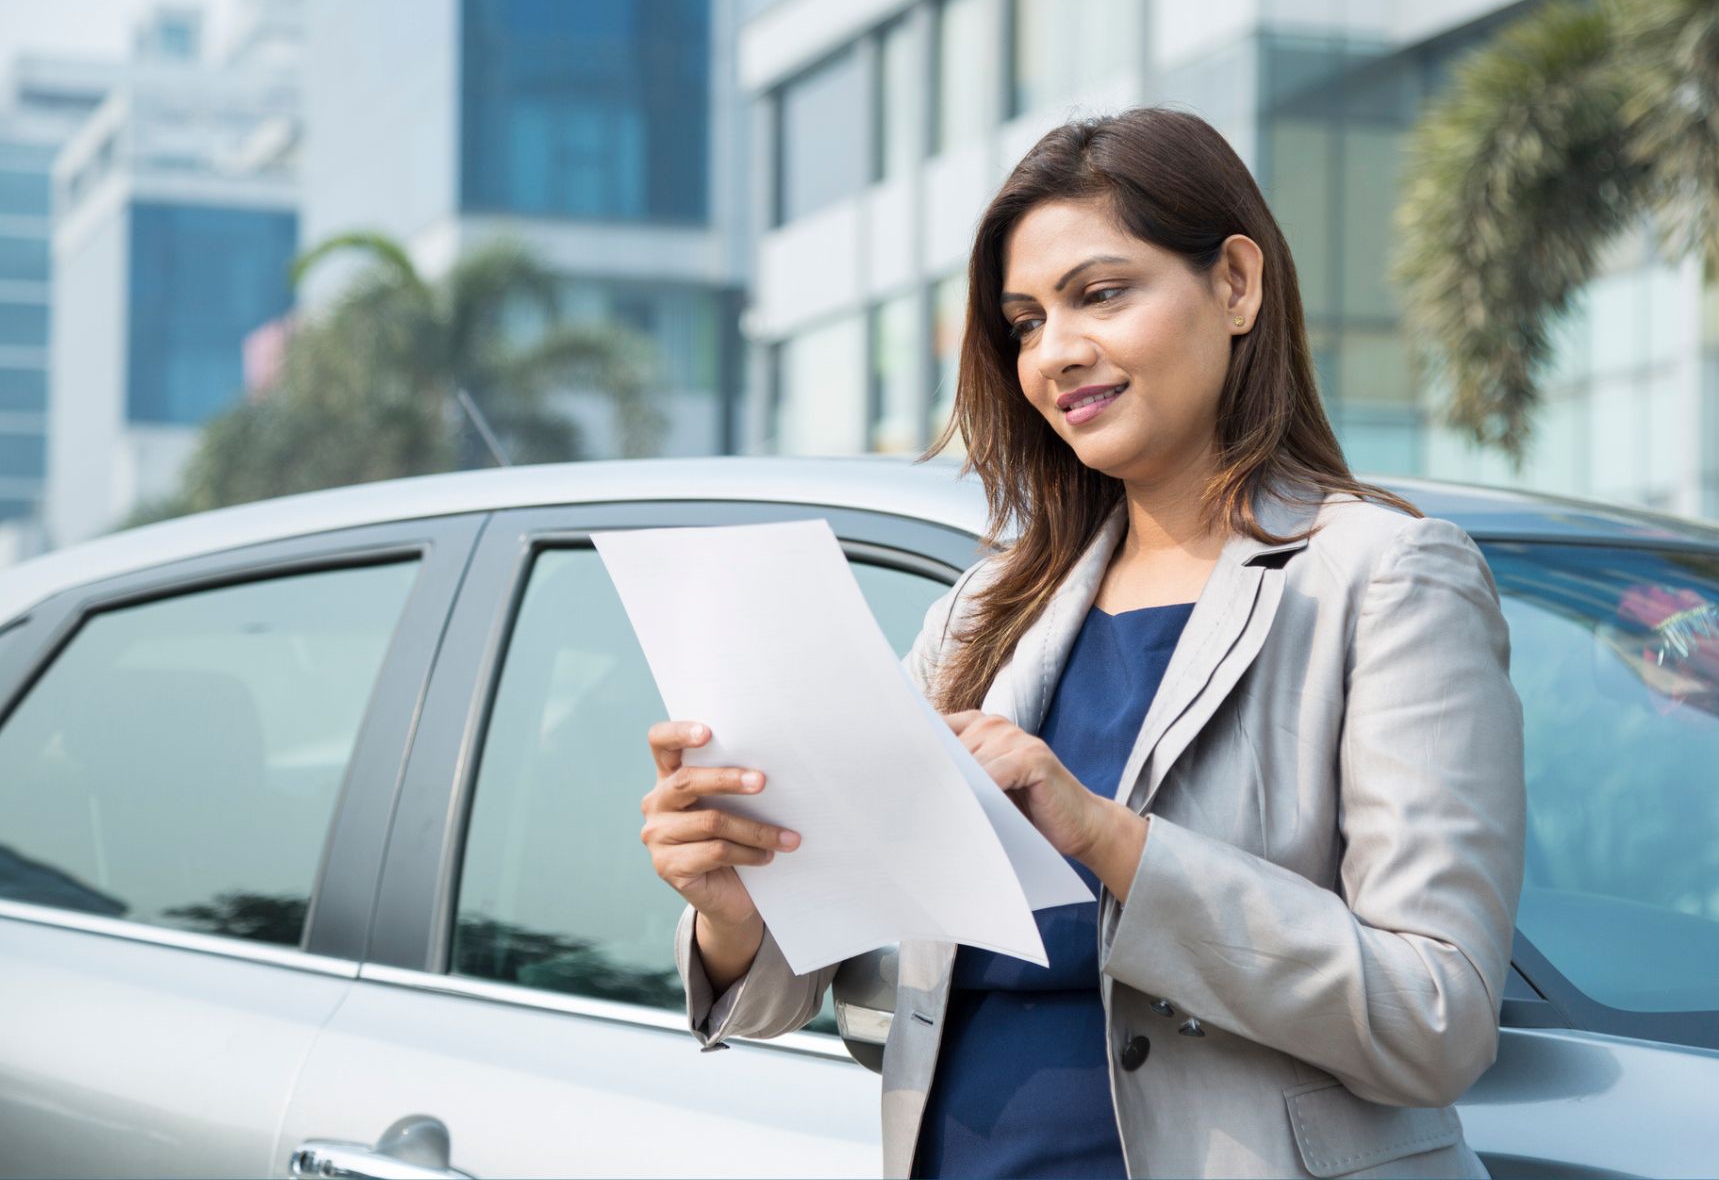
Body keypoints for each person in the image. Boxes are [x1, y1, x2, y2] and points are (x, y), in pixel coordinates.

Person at [638, 106, 1525, 1180]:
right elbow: (850, 976)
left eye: (1099, 295)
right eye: (1022, 323)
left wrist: (1111, 841)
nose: (1055, 352)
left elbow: (1434, 1019)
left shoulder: (1383, 577)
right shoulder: (982, 612)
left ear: (1235, 284)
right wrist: (739, 907)